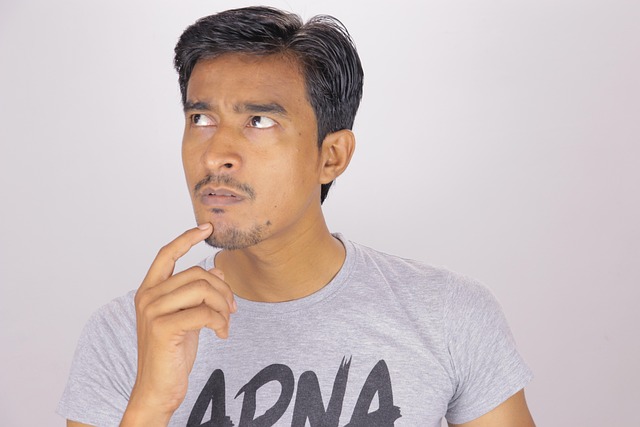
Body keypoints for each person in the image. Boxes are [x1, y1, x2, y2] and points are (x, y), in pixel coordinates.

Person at [58, 6, 535, 427]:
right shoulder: (129, 332)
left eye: (259, 121)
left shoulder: (447, 314)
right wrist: (150, 406)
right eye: (200, 119)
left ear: (332, 156)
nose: (216, 155)